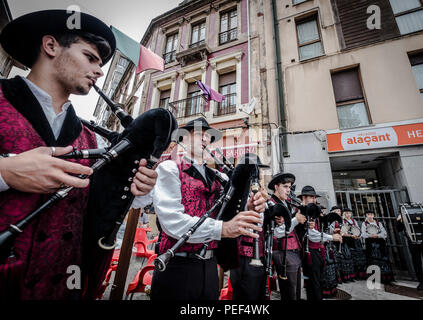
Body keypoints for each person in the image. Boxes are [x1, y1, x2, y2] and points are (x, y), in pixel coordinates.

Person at [0, 10, 158, 300]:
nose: (99, 71)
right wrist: (5, 172)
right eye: (90, 57)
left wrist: (135, 189)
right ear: (50, 46)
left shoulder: (89, 136)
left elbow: (92, 211)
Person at [150, 117, 266, 300]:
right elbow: (172, 221)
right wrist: (223, 229)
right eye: (198, 134)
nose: (205, 139)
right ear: (183, 139)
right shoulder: (169, 168)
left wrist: (249, 205)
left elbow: (230, 210)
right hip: (176, 266)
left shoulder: (220, 176)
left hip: (210, 267)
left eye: (208, 137)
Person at [229, 156, 270, 301]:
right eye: (256, 169)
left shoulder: (260, 193)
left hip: (259, 255)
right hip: (243, 257)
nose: (259, 173)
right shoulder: (237, 194)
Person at [268, 173, 307, 300]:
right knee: (289, 293)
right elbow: (278, 232)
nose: (288, 190)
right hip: (282, 252)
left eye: (289, 187)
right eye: (285, 186)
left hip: (293, 250)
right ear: (276, 187)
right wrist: (296, 220)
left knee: (295, 292)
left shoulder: (287, 204)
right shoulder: (271, 204)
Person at [299, 186, 341, 301]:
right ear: (304, 198)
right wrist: (332, 237)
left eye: (314, 197)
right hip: (309, 251)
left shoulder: (314, 212)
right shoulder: (303, 211)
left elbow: (319, 231)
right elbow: (312, 235)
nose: (314, 199)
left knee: (317, 281)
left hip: (317, 250)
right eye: (311, 197)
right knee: (314, 283)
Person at [361, 211, 394, 284]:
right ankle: (374, 277)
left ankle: (385, 278)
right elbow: (363, 234)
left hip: (380, 244)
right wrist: (370, 235)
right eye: (368, 214)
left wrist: (378, 235)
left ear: (373, 215)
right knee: (372, 260)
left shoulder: (379, 223)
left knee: (383, 260)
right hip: (370, 243)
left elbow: (384, 234)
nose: (370, 216)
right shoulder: (364, 224)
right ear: (366, 216)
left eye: (371, 214)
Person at [328, 207, 355, 283]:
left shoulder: (341, 220)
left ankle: (346, 277)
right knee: (336, 260)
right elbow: (328, 230)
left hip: (341, 241)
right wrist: (334, 230)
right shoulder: (330, 220)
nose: (338, 212)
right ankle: (338, 278)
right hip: (333, 242)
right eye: (336, 211)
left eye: (339, 211)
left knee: (345, 259)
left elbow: (344, 229)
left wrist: (342, 232)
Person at [342, 208, 367, 280]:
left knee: (358, 258)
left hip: (355, 240)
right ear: (344, 214)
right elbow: (343, 232)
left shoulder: (354, 221)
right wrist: (350, 235)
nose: (348, 214)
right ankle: (352, 275)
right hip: (347, 240)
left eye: (349, 213)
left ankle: (359, 274)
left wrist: (357, 235)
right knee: (350, 257)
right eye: (346, 213)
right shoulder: (342, 221)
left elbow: (358, 229)